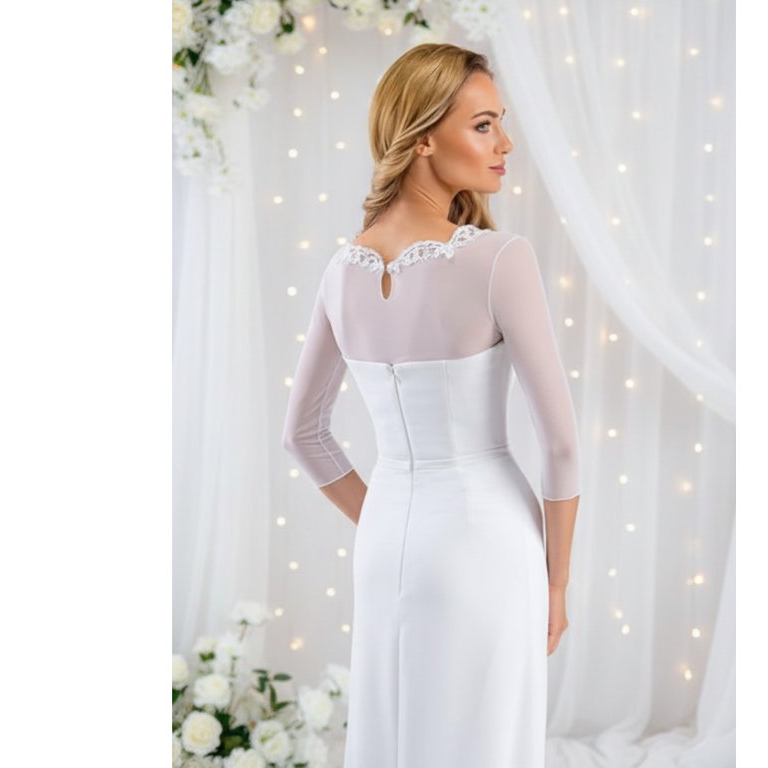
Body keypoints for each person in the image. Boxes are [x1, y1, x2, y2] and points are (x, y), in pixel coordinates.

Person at [281, 42, 580, 768]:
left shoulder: (340, 270)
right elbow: (562, 446)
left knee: (400, 731)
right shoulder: (499, 259)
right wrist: (558, 582)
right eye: (483, 125)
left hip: (386, 545)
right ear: (421, 139)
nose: (505, 143)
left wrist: (390, 516)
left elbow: (302, 436)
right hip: (488, 540)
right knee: (482, 740)